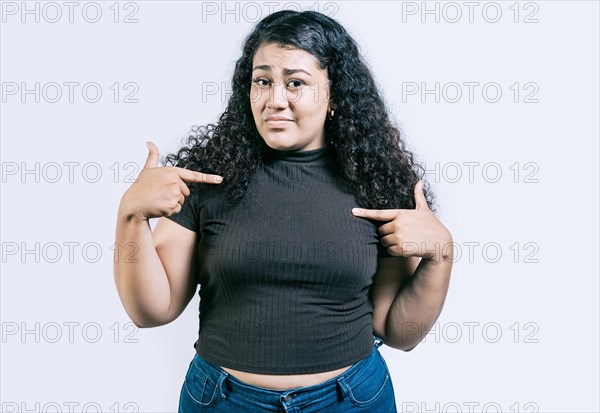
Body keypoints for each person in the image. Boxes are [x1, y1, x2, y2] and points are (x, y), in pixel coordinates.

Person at [114, 10, 453, 413]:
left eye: (296, 83)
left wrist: (441, 255)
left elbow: (399, 332)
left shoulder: (378, 185)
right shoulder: (205, 178)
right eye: (263, 81)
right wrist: (131, 216)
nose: (276, 99)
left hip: (351, 401)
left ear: (334, 96)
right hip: (224, 401)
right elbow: (151, 311)